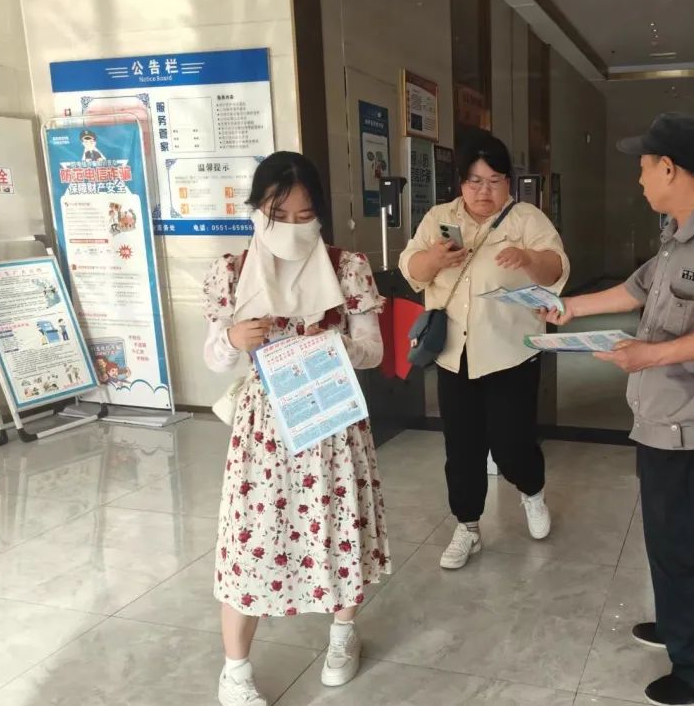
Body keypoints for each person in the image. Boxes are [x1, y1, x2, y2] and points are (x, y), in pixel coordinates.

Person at [545, 112, 694, 706]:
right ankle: (679, 626)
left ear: (670, 168)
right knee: (667, 537)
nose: (640, 178)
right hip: (663, 415)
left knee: (687, 544)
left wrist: (648, 355)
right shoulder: (680, 230)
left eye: (644, 167)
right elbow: (637, 288)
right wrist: (571, 308)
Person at [202, 152, 389, 706]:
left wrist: (337, 344)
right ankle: (235, 670)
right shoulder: (231, 272)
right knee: (251, 539)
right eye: (277, 214)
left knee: (341, 526)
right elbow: (214, 358)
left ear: (320, 215)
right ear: (256, 211)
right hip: (263, 430)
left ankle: (342, 634)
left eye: (304, 216)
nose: (290, 226)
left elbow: (374, 351)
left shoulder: (347, 267)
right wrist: (233, 339)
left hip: (330, 417)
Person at [399, 130, 569, 570]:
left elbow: (555, 267)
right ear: (461, 182)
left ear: (508, 182)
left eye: (494, 180)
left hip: (511, 352)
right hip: (454, 355)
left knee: (513, 444)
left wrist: (528, 259)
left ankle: (532, 492)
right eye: (474, 181)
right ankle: (468, 526)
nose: (484, 191)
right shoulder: (438, 218)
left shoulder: (526, 219)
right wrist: (435, 260)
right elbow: (411, 267)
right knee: (462, 447)